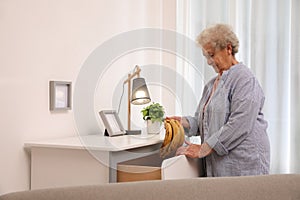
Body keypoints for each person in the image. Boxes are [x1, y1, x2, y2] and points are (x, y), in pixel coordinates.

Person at [171, 24, 270, 177]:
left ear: (228, 49)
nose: (209, 62)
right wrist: (182, 122)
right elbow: (203, 121)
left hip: (243, 163)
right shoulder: (211, 85)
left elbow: (240, 122)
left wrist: (203, 148)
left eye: (211, 55)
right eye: (206, 57)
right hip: (219, 165)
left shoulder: (244, 79)